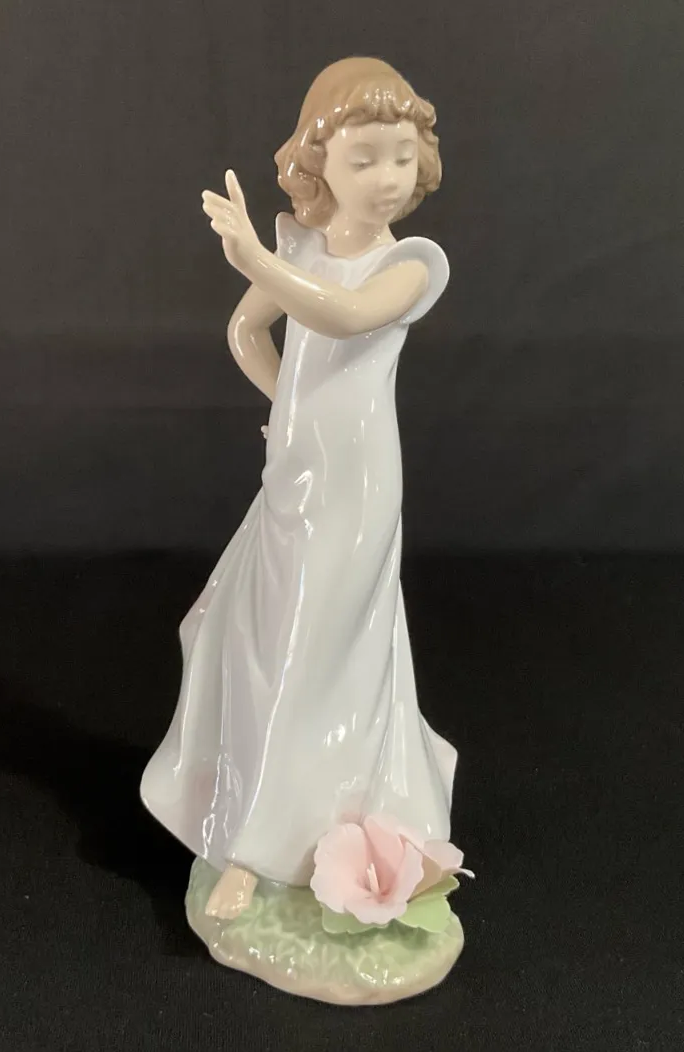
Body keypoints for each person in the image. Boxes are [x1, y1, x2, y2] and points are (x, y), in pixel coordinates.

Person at [140, 57, 457, 920]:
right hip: (295, 472)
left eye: (402, 157)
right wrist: (289, 411)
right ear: (320, 160)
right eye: (365, 158)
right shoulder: (307, 249)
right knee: (253, 632)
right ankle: (254, 824)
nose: (388, 177)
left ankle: (264, 848)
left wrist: (254, 255)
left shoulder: (412, 265)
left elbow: (341, 315)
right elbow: (247, 331)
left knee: (318, 652)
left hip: (357, 479)